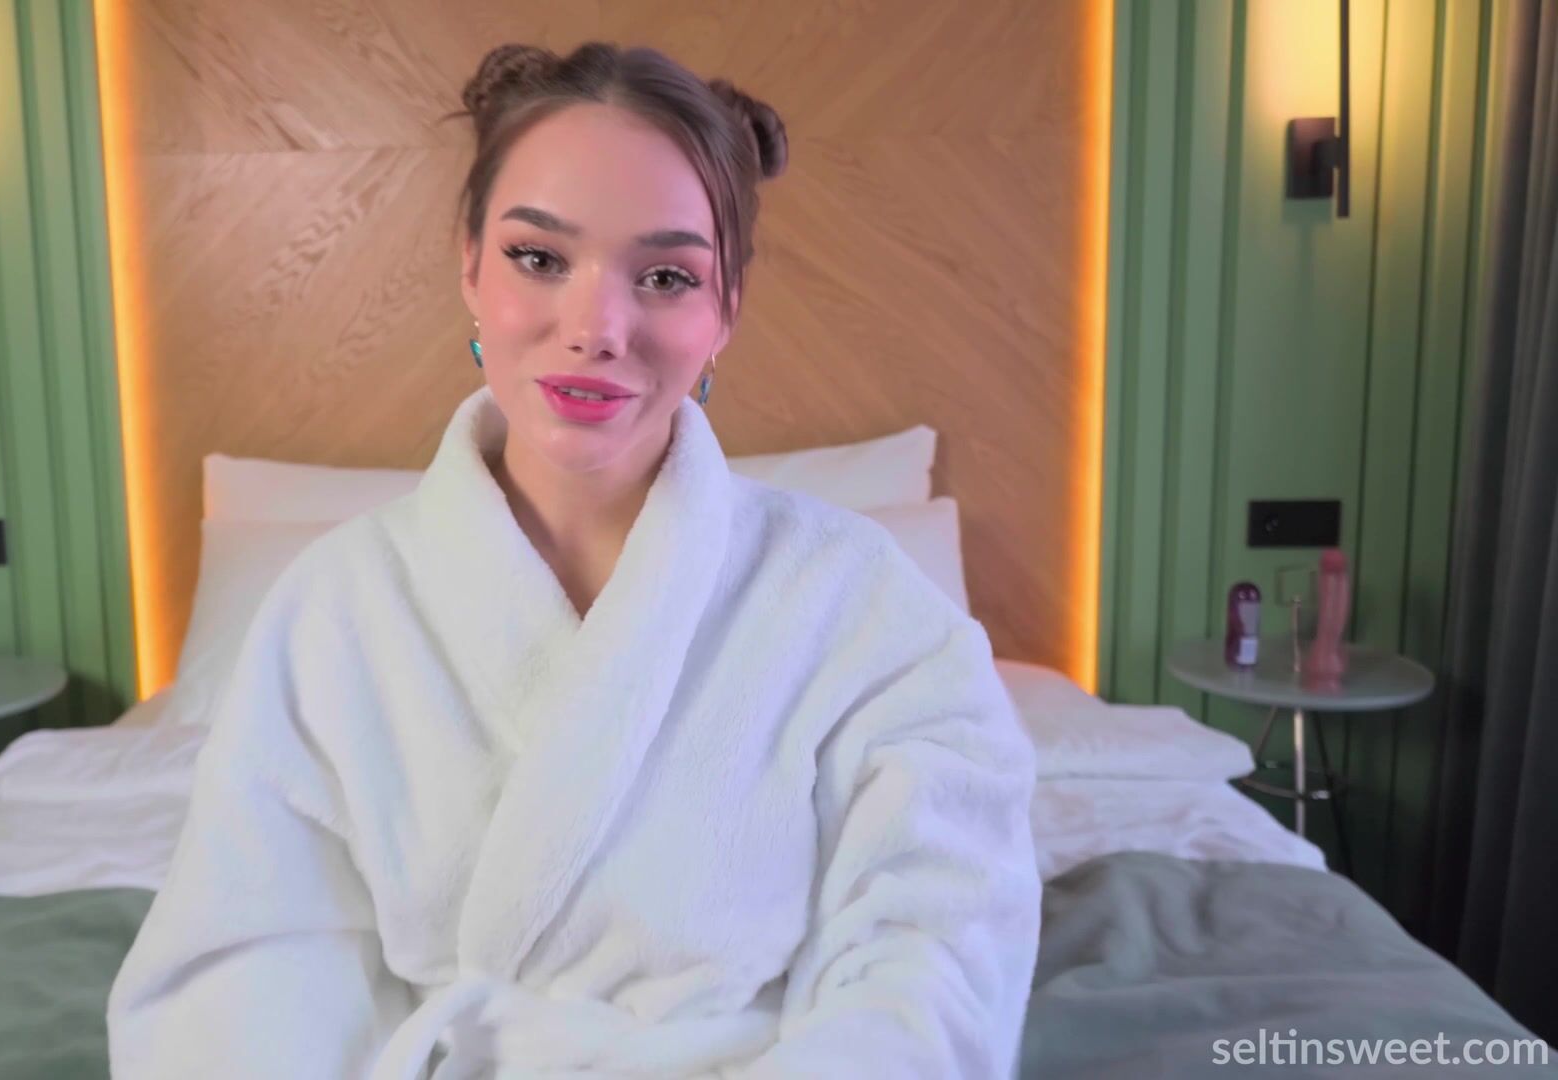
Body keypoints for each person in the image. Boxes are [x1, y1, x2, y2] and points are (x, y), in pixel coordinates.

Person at [107, 41, 1041, 1079]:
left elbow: (933, 952)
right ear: (470, 265)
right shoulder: (333, 610)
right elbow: (247, 975)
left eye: (666, 276)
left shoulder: (860, 603)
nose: (596, 328)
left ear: (726, 309)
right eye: (539, 258)